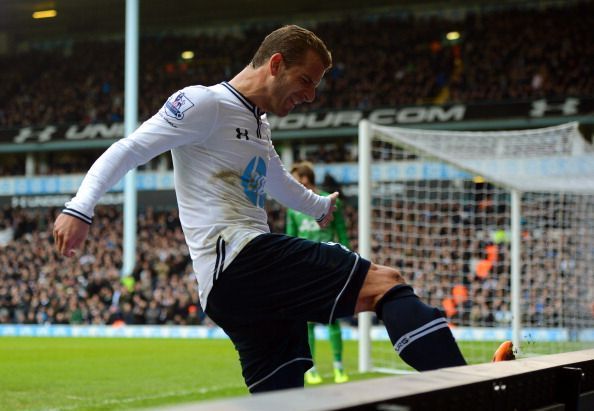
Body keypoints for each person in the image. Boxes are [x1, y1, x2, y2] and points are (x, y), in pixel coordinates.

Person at [53, 24, 514, 394]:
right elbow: (129, 149)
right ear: (276, 64)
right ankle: (472, 394)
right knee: (387, 284)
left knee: (285, 393)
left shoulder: (257, 124)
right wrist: (80, 208)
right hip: (240, 259)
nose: (310, 96)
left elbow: (275, 180)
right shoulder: (203, 103)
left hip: (231, 288)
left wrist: (318, 207)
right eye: (305, 81)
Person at [286, 161, 349, 384]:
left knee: (333, 319)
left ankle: (339, 367)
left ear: (305, 178)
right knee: (308, 322)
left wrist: (346, 260)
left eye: (295, 177)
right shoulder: (293, 208)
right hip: (305, 270)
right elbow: (290, 239)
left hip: (329, 267)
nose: (292, 182)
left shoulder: (331, 202)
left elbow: (342, 233)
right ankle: (311, 370)